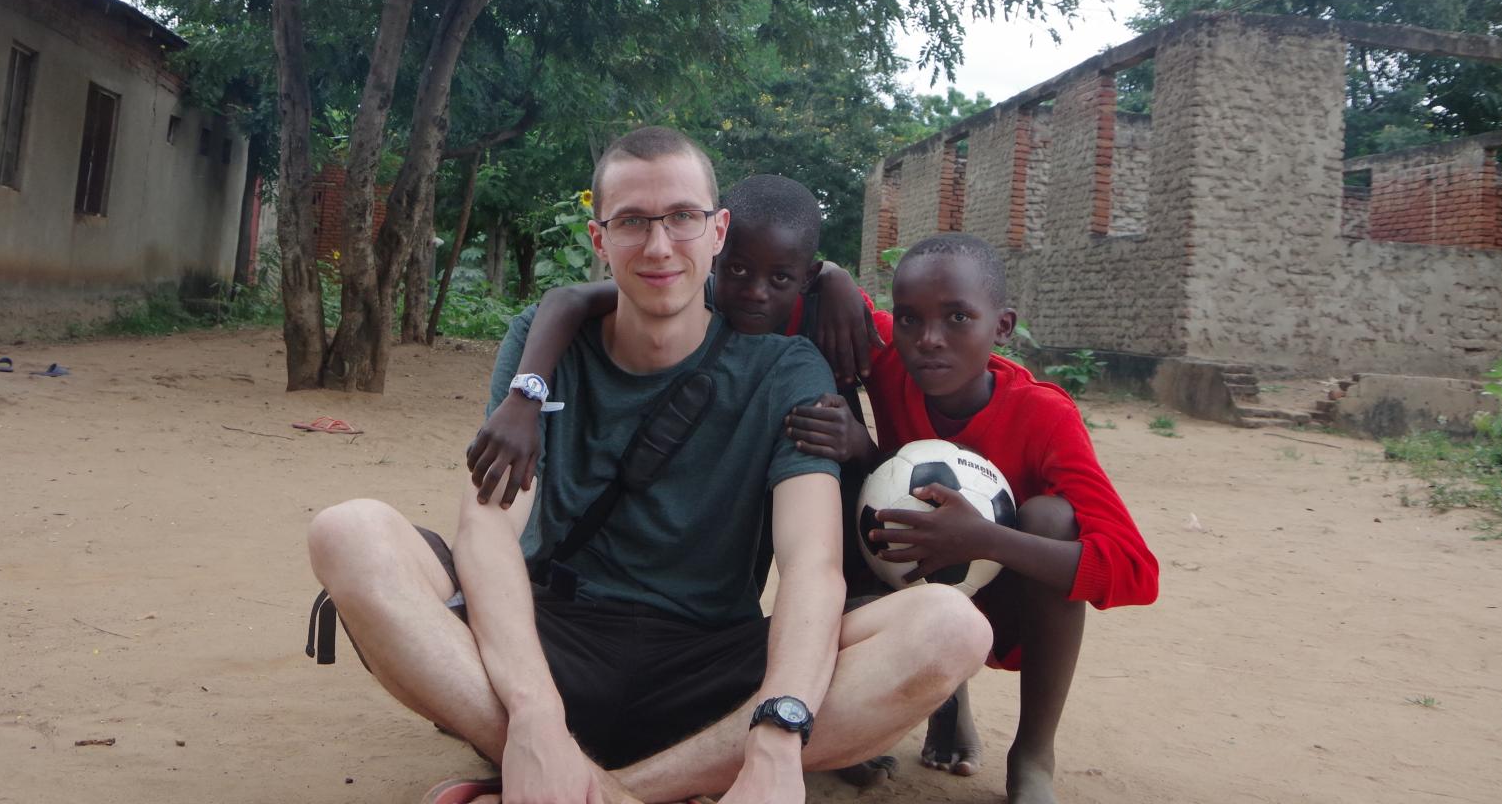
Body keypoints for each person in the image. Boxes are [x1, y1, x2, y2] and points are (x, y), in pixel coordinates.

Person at [306, 131, 988, 804]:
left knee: (950, 627)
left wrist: (778, 732)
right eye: (632, 221)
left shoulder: (786, 369)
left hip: (712, 667)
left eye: (683, 217)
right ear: (599, 240)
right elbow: (487, 531)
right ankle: (550, 753)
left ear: (718, 231)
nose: (659, 246)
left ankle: (598, 792)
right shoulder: (545, 347)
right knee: (350, 532)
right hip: (550, 642)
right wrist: (536, 712)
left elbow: (812, 564)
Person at [787, 232, 1159, 804]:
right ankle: (919, 707)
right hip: (904, 578)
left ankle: (1032, 754)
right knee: (846, 488)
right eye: (909, 319)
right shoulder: (893, 361)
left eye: (958, 317)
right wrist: (832, 276)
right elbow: (781, 283)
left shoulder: (1045, 415)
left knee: (1051, 518)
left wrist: (983, 539)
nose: (929, 339)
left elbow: (1134, 571)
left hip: (1011, 602)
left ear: (1003, 327)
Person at [465, 172, 878, 510]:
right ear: (716, 252)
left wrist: (861, 445)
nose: (756, 292)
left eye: (780, 278)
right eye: (737, 270)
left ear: (806, 279)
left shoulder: (821, 327)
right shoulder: (695, 297)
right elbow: (565, 299)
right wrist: (525, 395)